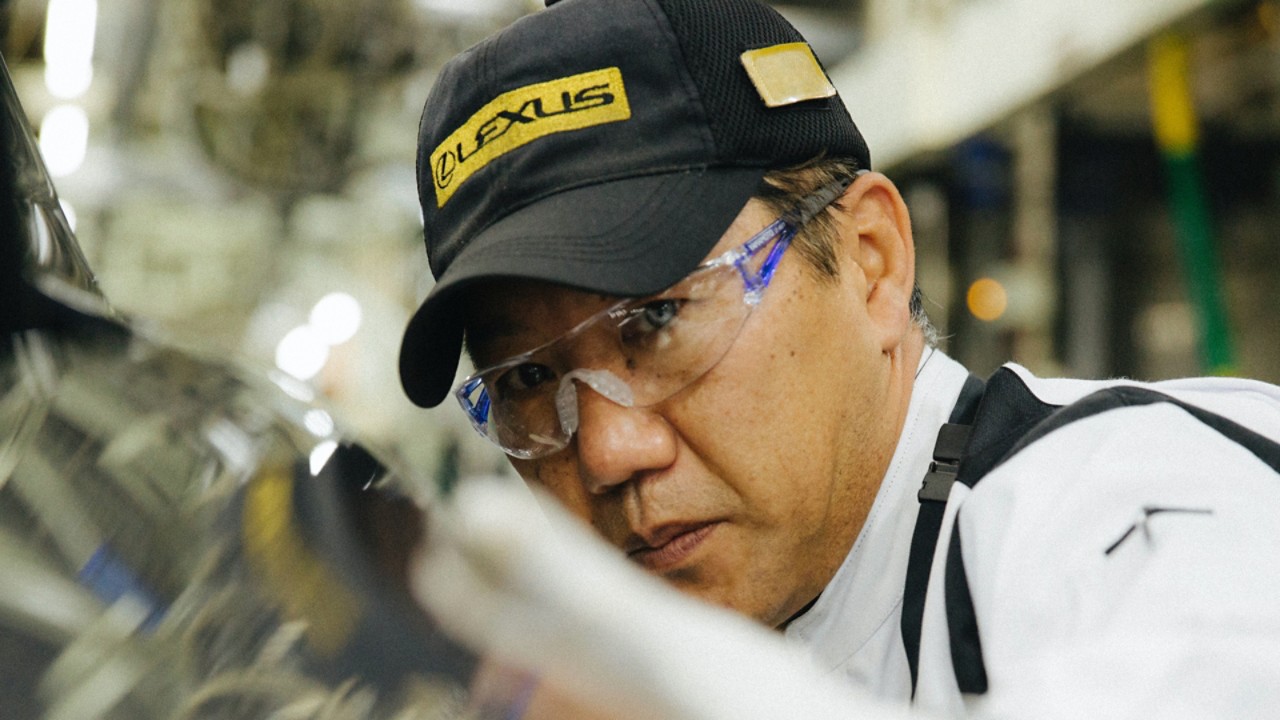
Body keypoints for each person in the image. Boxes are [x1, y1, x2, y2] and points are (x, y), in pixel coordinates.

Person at [397, 0, 1280, 718]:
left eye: (659, 317)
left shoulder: (1137, 498)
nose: (607, 451)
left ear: (870, 262)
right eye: (526, 379)